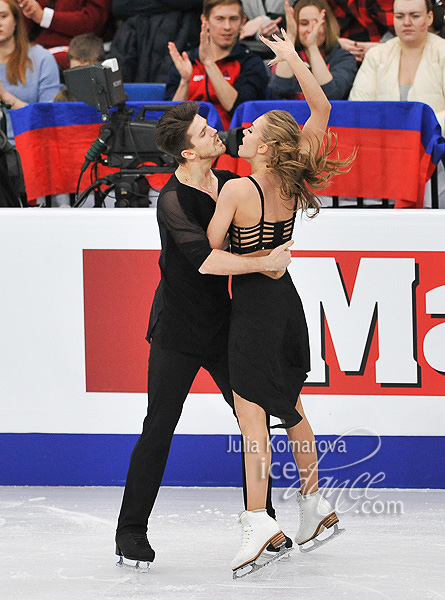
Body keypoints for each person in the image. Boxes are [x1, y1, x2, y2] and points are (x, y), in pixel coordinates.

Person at [115, 101, 295, 569]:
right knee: (159, 426)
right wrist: (265, 263)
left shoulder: (231, 183)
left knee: (252, 418)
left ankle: (264, 521)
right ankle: (130, 531)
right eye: (203, 131)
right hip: (177, 329)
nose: (216, 132)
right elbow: (205, 262)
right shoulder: (174, 200)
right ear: (187, 153)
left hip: (224, 327)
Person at [207, 30, 353, 577]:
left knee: (251, 417)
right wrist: (292, 58)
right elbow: (322, 105)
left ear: (265, 147)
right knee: (289, 409)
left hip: (253, 308)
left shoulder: (237, 191)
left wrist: (254, 260)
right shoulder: (291, 178)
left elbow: (211, 259)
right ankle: (314, 506)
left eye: (253, 130)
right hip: (287, 305)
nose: (243, 130)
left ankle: (256, 520)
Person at [165, 0, 268, 129]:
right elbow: (170, 122)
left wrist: (209, 64)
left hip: (233, 140)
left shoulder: (251, 62)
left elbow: (241, 111)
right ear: (205, 20)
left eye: (233, 19)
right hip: (187, 139)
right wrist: (185, 81)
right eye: (220, 19)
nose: (227, 26)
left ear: (243, 21)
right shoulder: (186, 60)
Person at [349, 0, 445, 135]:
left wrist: (420, 128)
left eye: (415, 16)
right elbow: (358, 108)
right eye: (399, 16)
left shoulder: (443, 52)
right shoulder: (376, 56)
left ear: (430, 18)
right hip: (383, 143)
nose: (406, 22)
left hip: (436, 146)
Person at [268, 0, 357, 100]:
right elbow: (279, 91)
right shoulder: (284, 54)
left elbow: (331, 95)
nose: (311, 30)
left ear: (328, 25)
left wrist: (312, 47)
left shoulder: (343, 57)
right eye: (304, 23)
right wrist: (291, 36)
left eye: (317, 23)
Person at [0, 0, 60, 141]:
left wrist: (7, 98)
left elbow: (49, 119)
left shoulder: (41, 59)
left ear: (16, 20)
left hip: (29, 147)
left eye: (3, 16)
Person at [18, 0, 112, 68]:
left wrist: (44, 17)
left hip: (76, 48)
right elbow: (21, 28)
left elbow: (93, 23)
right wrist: (25, 7)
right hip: (34, 46)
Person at [327, 0, 395, 62]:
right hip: (341, 54)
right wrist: (334, 41)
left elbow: (401, 26)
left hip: (389, 53)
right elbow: (320, 24)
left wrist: (384, 48)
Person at [54, 33, 105, 102]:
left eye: (87, 71)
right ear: (68, 66)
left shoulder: (114, 96)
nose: (82, 77)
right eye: (76, 71)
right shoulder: (63, 98)